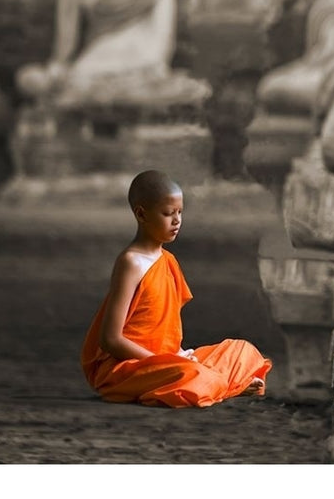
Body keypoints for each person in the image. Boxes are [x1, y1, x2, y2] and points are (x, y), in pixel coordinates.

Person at [80, 170, 271, 407]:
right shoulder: (130, 262)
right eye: (168, 213)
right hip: (130, 366)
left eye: (180, 212)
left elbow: (166, 329)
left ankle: (216, 384)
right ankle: (225, 385)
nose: (177, 221)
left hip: (170, 362)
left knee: (243, 350)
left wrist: (180, 355)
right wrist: (163, 362)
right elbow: (110, 340)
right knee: (192, 375)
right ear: (141, 214)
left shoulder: (167, 260)